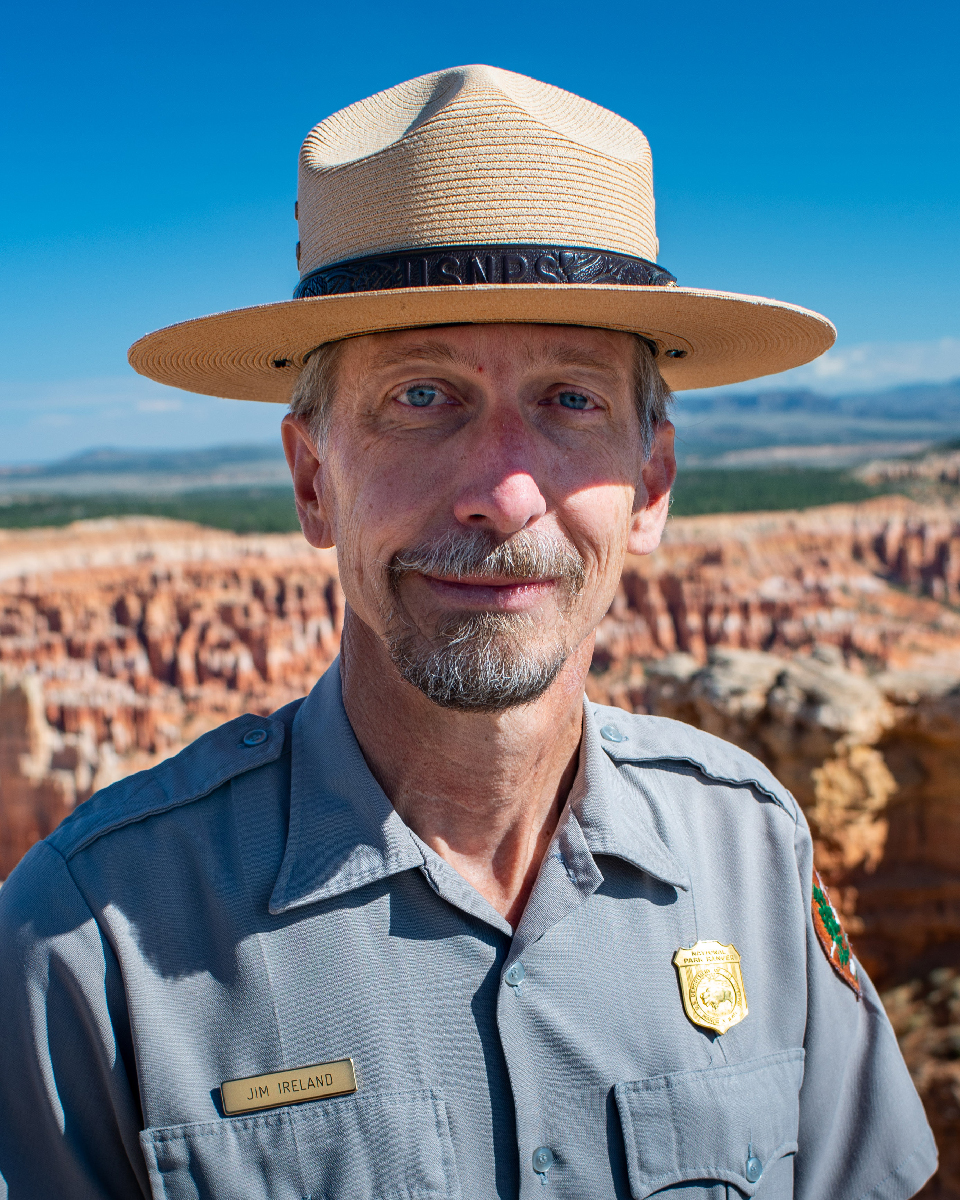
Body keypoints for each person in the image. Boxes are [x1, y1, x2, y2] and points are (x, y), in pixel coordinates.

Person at [0, 65, 936, 1199]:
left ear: (652, 485)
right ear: (310, 483)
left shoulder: (753, 856)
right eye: (422, 397)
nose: (504, 491)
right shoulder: (83, 944)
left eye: (571, 400)